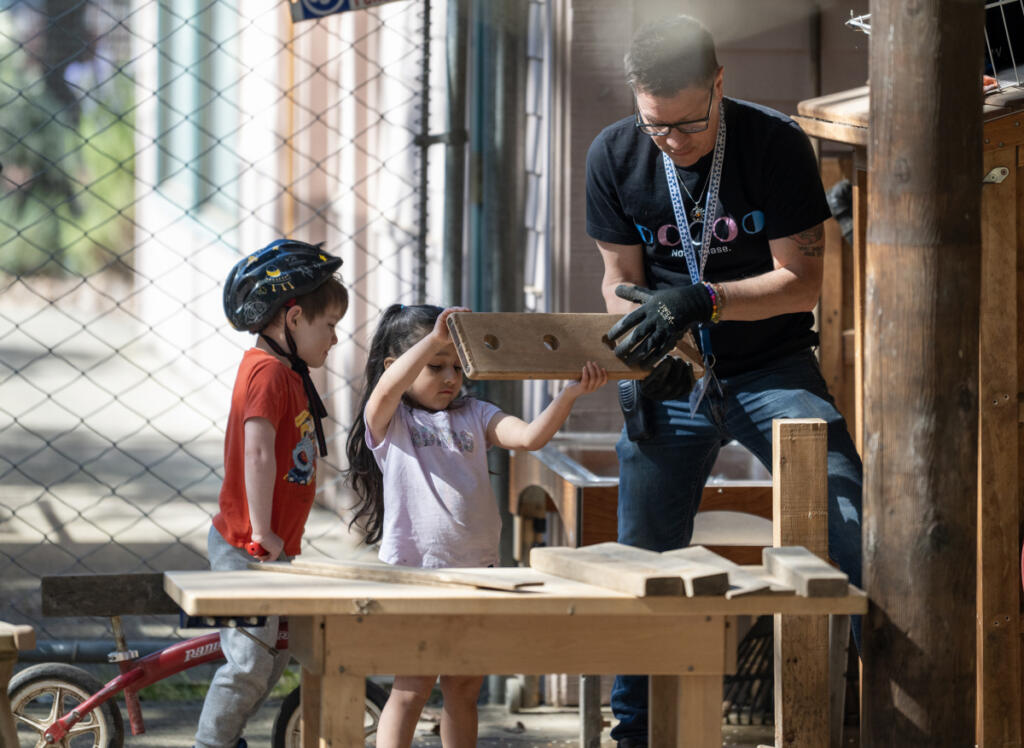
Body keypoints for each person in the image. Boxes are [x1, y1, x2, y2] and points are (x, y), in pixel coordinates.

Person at [585, 15, 863, 747]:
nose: (671, 143)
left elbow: (802, 283)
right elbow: (617, 281)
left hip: (770, 365)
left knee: (852, 522)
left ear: (718, 83)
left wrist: (706, 298)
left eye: (686, 124)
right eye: (656, 127)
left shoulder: (773, 145)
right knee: (642, 557)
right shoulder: (614, 154)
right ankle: (636, 733)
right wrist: (636, 336)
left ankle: (877, 713)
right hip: (672, 374)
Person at [345, 304, 607, 748]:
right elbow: (384, 391)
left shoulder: (475, 414)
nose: (451, 378)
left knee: (464, 689)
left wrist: (568, 395)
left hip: (478, 575)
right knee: (411, 689)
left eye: (457, 366)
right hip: (416, 575)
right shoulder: (394, 423)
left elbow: (529, 438)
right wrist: (437, 337)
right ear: (399, 365)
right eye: (436, 366)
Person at [193, 239, 348, 748]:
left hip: (272, 546)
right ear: (295, 317)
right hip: (248, 547)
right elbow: (257, 453)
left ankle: (230, 737)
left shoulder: (285, 372)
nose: (335, 338)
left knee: (273, 656)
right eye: (329, 326)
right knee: (248, 664)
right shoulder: (267, 373)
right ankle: (209, 744)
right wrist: (261, 532)